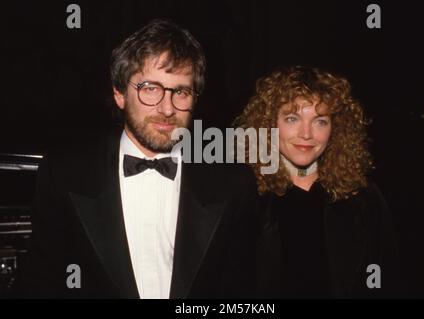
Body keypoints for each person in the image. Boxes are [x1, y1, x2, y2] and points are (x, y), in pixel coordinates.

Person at [17, 19, 259, 299]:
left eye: (181, 92)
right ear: (119, 93)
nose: (167, 108)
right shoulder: (64, 173)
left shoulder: (233, 183)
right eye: (150, 88)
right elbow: (40, 284)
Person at [234, 66, 398, 298]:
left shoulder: (363, 198)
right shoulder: (245, 197)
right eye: (292, 118)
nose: (306, 134)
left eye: (320, 121)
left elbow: (387, 281)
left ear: (336, 128)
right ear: (268, 123)